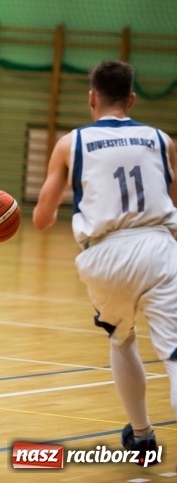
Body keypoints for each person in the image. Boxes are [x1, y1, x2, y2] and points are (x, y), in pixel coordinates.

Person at [33, 60, 177, 466]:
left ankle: (143, 437)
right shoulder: (161, 140)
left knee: (121, 338)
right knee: (174, 356)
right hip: (157, 246)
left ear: (91, 98)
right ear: (131, 99)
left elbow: (42, 220)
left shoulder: (70, 144)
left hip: (104, 255)